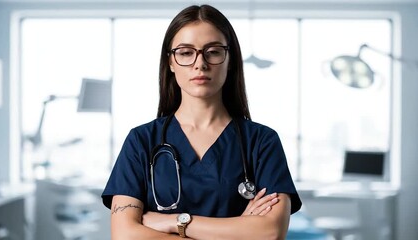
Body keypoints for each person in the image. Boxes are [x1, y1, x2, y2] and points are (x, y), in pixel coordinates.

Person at [102, 4, 301, 239]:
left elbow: (270, 232)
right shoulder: (142, 141)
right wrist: (239, 230)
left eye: (213, 51)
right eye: (186, 52)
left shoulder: (261, 142)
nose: (200, 63)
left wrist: (175, 222)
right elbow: (125, 235)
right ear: (171, 63)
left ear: (230, 60)